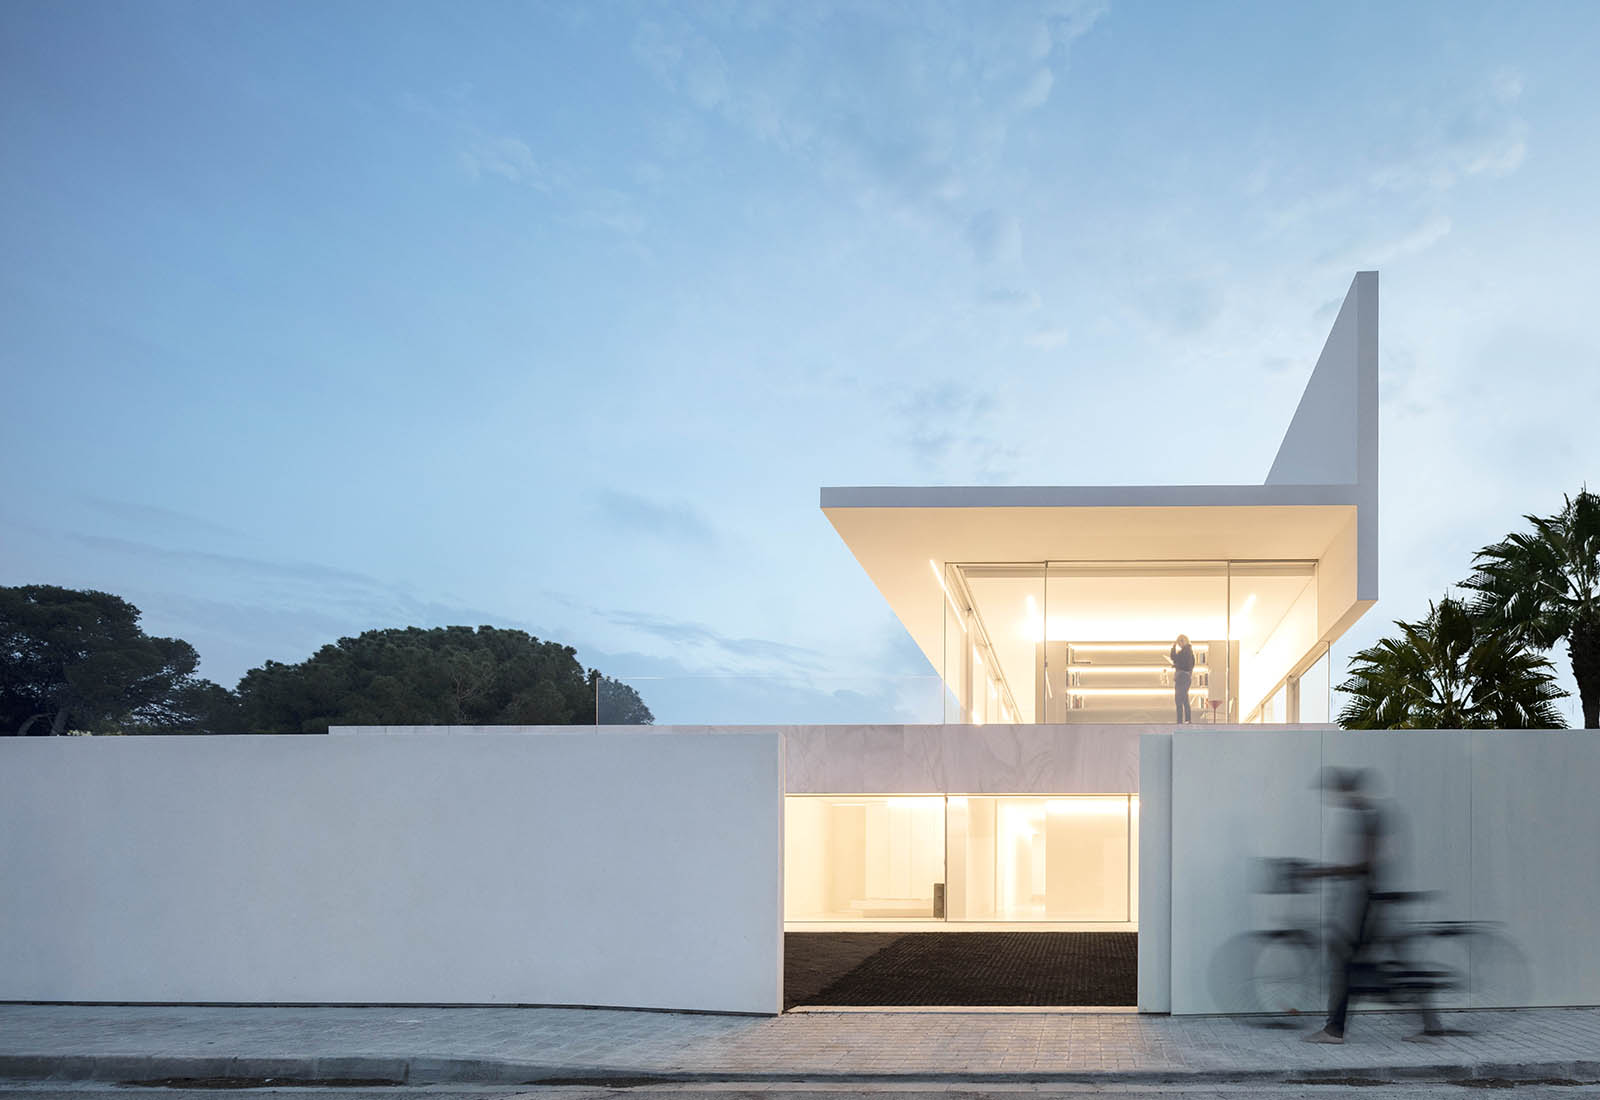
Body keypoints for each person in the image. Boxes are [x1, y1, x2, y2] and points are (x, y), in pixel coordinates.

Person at [1303, 768, 1443, 1045]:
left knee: (1346, 961)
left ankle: (1334, 1029)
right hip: (1378, 900)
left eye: (1338, 793)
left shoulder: (1370, 816)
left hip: (1374, 902)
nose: (1335, 799)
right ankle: (1432, 1027)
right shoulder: (1368, 814)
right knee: (1392, 961)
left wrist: (1326, 873)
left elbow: (1367, 864)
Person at [1169, 634, 1194, 723]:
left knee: (1179, 700)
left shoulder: (1186, 651)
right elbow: (1175, 658)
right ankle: (1187, 720)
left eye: (1180, 642)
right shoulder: (1187, 651)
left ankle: (1180, 721)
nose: (1180, 644)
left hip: (1182, 677)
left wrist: (1176, 665)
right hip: (1184, 677)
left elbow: (1181, 663)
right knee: (1184, 700)